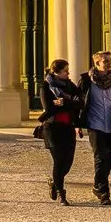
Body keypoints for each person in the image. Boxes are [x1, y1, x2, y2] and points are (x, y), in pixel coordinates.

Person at [77, 51, 111, 206]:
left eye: (110, 60)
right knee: (100, 156)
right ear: (97, 63)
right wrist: (78, 125)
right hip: (95, 124)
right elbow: (79, 103)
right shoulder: (86, 81)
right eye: (105, 61)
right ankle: (103, 190)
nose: (108, 63)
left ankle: (97, 182)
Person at [40, 58, 81, 204]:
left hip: (68, 127)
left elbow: (80, 103)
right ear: (56, 72)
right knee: (59, 160)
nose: (68, 73)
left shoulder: (71, 86)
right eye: (65, 71)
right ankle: (61, 193)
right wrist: (69, 103)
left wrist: (64, 102)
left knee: (68, 162)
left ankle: (54, 181)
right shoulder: (46, 86)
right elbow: (49, 108)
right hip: (52, 128)